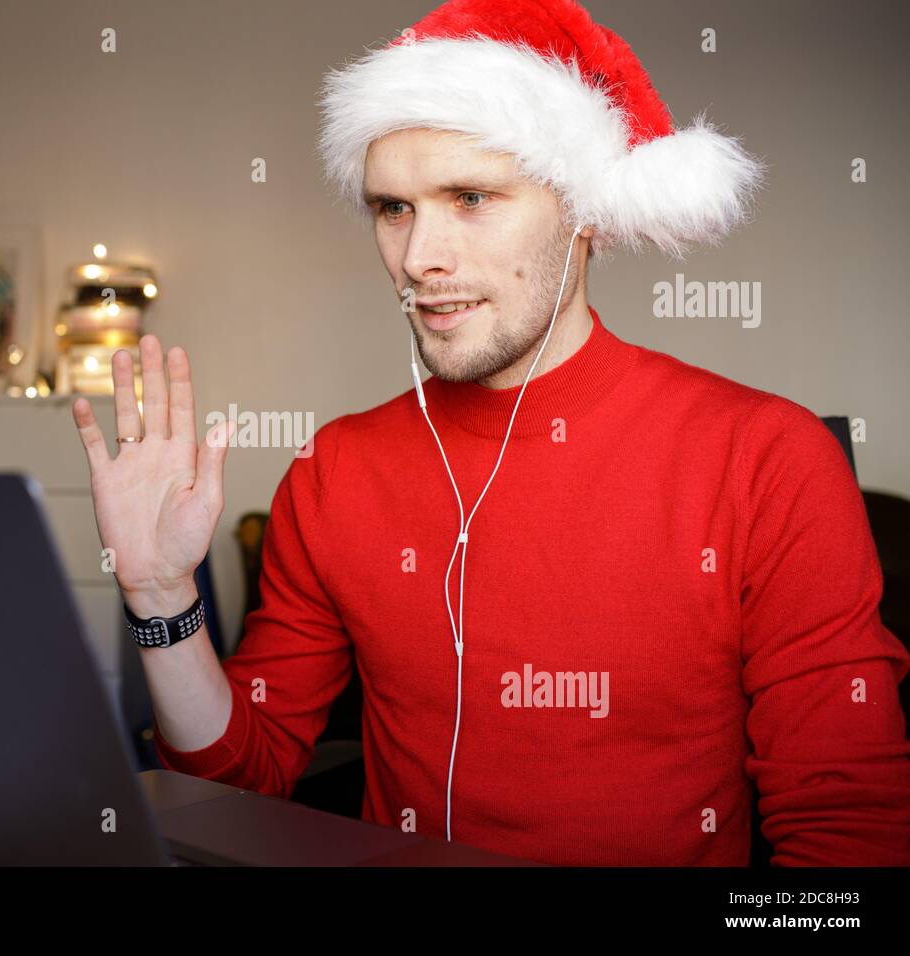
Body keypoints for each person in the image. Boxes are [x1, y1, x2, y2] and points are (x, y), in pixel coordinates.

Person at [70, 0, 910, 865]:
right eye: (393, 208)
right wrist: (162, 595)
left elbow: (848, 840)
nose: (420, 257)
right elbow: (242, 785)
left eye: (471, 198)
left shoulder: (765, 457)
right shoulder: (334, 472)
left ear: (584, 212)